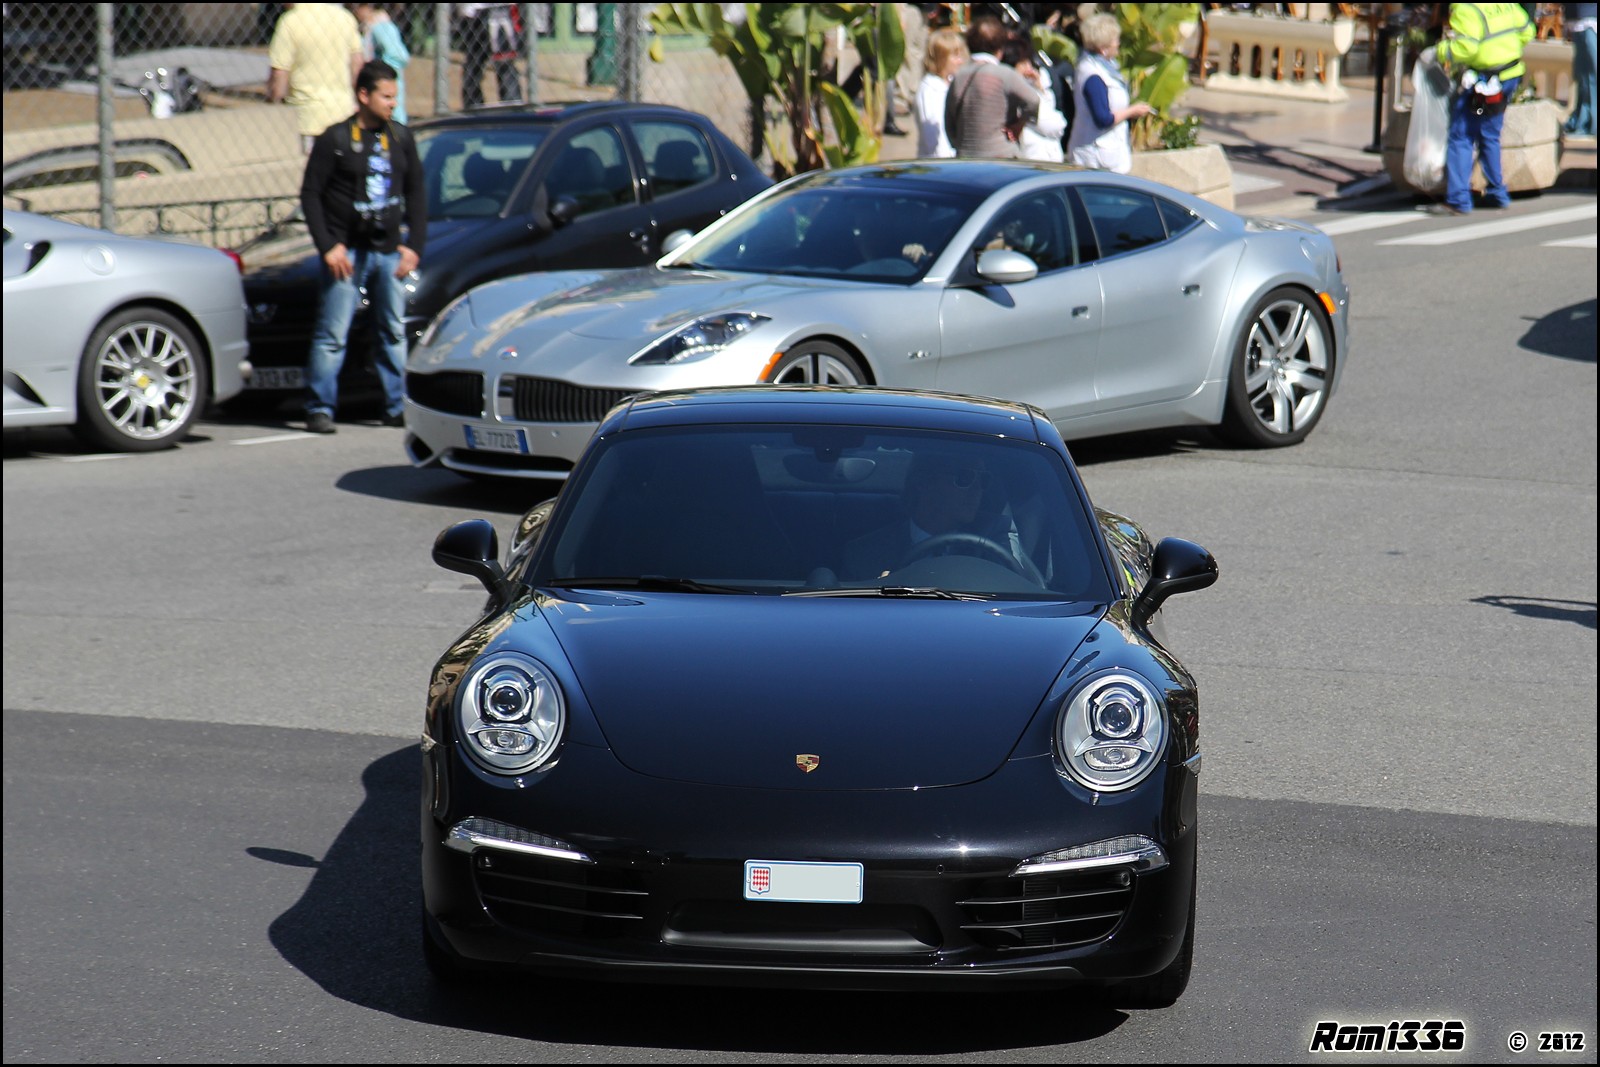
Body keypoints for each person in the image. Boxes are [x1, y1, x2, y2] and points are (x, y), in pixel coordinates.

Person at [299, 60, 426, 434]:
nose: (392, 104)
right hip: (347, 254)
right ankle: (320, 407)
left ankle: (395, 406)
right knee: (332, 334)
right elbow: (310, 194)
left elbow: (417, 194)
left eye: (394, 97)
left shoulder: (401, 138)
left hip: (388, 252)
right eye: (386, 97)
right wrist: (328, 246)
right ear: (364, 95)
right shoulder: (335, 139)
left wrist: (414, 246)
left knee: (392, 331)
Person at [842, 452, 1023, 581]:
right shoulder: (864, 553)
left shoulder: (997, 535)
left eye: (983, 479)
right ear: (924, 482)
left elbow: (1015, 591)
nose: (977, 489)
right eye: (964, 477)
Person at [1430, 3, 1535, 215]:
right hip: (1508, 77)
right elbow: (1528, 32)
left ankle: (1458, 199)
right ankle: (1497, 193)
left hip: (1483, 84)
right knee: (1489, 133)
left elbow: (1466, 48)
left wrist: (1440, 51)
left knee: (1462, 135)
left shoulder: (1466, 9)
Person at [266, 3, 365, 154]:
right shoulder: (345, 17)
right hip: (343, 110)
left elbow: (279, 72)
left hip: (308, 115)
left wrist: (275, 98)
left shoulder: (290, 21)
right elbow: (357, 64)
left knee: (314, 165)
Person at [1064, 12, 1152, 174]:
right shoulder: (1093, 75)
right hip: (1095, 158)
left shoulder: (1106, 65)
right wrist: (1132, 111)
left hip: (1109, 153)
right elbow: (1102, 118)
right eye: (1115, 40)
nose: (1118, 44)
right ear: (1103, 48)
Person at [944, 15, 1040, 159]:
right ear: (1000, 48)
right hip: (1002, 155)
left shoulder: (959, 77)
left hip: (966, 157)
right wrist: (1019, 125)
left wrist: (962, 144)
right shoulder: (1005, 74)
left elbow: (949, 122)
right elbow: (1033, 100)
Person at [1001, 36, 1067, 162]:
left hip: (1049, 156)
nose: (1029, 68)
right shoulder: (1017, 94)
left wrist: (1040, 88)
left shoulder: (1034, 86)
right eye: (1023, 64)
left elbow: (1049, 110)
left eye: (1029, 62)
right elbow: (1055, 125)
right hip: (1035, 158)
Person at [915, 27, 970, 157]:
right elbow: (933, 137)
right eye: (955, 56)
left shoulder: (951, 83)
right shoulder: (929, 90)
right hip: (939, 163)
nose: (960, 61)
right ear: (941, 58)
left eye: (961, 55)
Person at [456, 3, 523, 109]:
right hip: (472, 13)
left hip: (498, 11)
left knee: (505, 66)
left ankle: (513, 111)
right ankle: (474, 111)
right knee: (472, 67)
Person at [353, 2, 410, 125]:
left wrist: (379, 72)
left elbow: (399, 56)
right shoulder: (369, 27)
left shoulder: (380, 26)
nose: (354, 11)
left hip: (387, 108)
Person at [1564, 4, 1597, 137]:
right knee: (1583, 78)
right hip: (1577, 18)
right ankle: (1582, 120)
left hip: (1589, 20)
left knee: (1591, 77)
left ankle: (1589, 122)